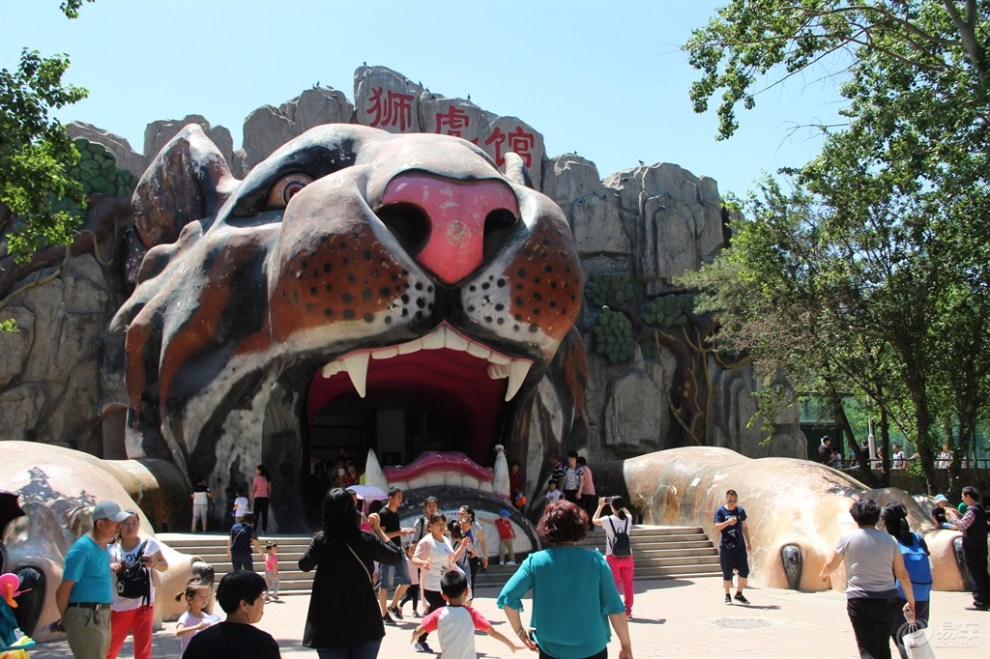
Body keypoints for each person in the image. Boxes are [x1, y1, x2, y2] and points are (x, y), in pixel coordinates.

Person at [498, 500, 633, 659]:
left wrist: (520, 633)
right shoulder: (596, 561)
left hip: (550, 650)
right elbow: (615, 608)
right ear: (580, 526)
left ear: (547, 528)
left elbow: (508, 597)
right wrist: (626, 646)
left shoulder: (535, 562)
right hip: (593, 648)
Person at [298, 487, 403, 658]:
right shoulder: (366, 540)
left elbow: (303, 565)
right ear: (352, 511)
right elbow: (395, 556)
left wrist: (316, 545)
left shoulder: (321, 540)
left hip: (330, 625)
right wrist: (378, 530)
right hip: (364, 621)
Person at [819, 498, 916, 659]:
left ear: (855, 517)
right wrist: (911, 601)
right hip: (888, 600)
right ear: (877, 516)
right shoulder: (889, 540)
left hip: (860, 600)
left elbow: (831, 565)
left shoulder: (847, 539)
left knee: (867, 648)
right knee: (883, 645)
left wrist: (823, 575)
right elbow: (902, 574)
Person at [53, 500, 130, 659]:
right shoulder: (82, 548)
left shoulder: (102, 547)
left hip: (100, 614)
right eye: (115, 523)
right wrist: (66, 619)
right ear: (100, 523)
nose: (118, 527)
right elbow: (62, 591)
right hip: (86, 616)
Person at [411, 570, 520, 658]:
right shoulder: (472, 614)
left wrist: (414, 636)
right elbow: (492, 632)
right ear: (466, 592)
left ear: (443, 595)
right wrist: (511, 645)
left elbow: (419, 630)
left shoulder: (438, 614)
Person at [107, 510, 169, 659]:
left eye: (134, 523)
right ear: (118, 527)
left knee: (143, 649)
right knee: (110, 648)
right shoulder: (111, 549)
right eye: (126, 524)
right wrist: (111, 566)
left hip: (144, 603)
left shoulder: (149, 545)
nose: (130, 527)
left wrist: (154, 564)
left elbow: (164, 565)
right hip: (120, 604)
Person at [181, 570, 280, 659]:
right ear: (244, 604)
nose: (263, 602)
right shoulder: (264, 644)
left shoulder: (200, 641)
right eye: (261, 596)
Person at [412, 511, 471, 653]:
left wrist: (462, 546)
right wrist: (423, 562)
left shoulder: (445, 540)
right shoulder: (426, 541)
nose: (442, 527)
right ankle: (448, 644)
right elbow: (414, 559)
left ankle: (420, 639)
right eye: (438, 524)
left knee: (435, 615)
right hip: (431, 586)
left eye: (443, 524)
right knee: (445, 614)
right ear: (430, 525)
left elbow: (451, 560)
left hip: (445, 585)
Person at [880, 503, 933, 659]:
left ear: (886, 522)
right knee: (914, 636)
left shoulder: (891, 542)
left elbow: (895, 573)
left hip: (900, 597)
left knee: (900, 637)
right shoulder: (918, 538)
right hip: (922, 596)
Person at [946, 486, 990, 610]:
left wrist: (951, 516)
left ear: (968, 496)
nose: (962, 498)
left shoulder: (972, 510)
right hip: (981, 546)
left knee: (975, 574)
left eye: (962, 495)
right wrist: (958, 515)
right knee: (982, 573)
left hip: (972, 548)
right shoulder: (979, 509)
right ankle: (986, 599)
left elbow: (962, 525)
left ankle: (980, 602)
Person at [593, 496, 635, 617]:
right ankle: (628, 610)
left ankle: (616, 609)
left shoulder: (607, 519)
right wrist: (621, 505)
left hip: (613, 555)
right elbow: (628, 513)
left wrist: (600, 505)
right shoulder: (628, 518)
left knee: (614, 583)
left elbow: (594, 520)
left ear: (612, 507)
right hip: (627, 556)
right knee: (628, 584)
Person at [379, 487, 415, 623]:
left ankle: (393, 605)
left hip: (398, 550)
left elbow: (394, 531)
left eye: (401, 497)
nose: (401, 499)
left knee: (406, 581)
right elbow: (382, 535)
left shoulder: (395, 513)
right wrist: (399, 533)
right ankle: (383, 614)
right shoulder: (383, 513)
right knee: (385, 584)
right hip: (387, 551)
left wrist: (403, 531)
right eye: (398, 497)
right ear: (391, 498)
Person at [714, 489, 752, 605]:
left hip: (739, 546)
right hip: (727, 547)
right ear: (726, 499)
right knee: (727, 573)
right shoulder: (720, 511)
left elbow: (744, 527)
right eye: (730, 500)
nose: (732, 503)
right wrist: (727, 522)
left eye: (734, 500)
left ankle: (739, 594)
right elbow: (717, 527)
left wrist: (748, 543)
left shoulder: (740, 511)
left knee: (744, 572)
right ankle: (727, 595)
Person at [174, 580, 221, 655]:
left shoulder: (206, 617)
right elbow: (178, 632)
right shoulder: (186, 617)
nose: (205, 599)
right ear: (190, 599)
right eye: (202, 597)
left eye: (207, 596)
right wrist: (196, 627)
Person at [458, 505, 488, 595]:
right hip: (458, 558)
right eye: (459, 513)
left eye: (462, 513)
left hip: (472, 558)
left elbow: (482, 541)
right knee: (458, 583)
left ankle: (468, 607)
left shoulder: (476, 526)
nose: (460, 515)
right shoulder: (456, 525)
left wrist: (485, 556)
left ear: (470, 515)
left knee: (470, 583)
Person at [398, 542, 422, 618]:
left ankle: (414, 611)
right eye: (411, 549)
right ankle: (400, 606)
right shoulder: (405, 561)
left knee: (415, 597)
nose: (414, 551)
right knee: (409, 596)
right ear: (407, 551)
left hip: (416, 581)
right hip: (409, 582)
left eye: (415, 549)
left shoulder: (416, 559)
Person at [252, 465, 272, 532]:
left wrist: (251, 498)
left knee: (255, 515)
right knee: (264, 515)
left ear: (260, 471)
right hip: (265, 498)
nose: (256, 471)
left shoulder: (256, 479)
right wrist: (269, 497)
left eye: (257, 470)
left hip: (257, 498)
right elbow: (269, 489)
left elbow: (254, 489)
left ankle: (254, 530)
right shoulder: (267, 478)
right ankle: (263, 530)